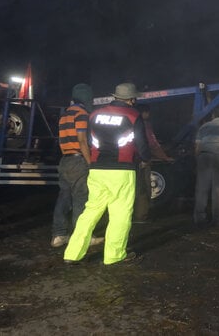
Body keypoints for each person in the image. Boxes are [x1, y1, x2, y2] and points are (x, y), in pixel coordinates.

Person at [63, 82, 151, 265]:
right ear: (132, 99)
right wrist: (145, 158)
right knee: (120, 214)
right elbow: (142, 144)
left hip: (97, 170)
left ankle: (72, 253)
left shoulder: (95, 114)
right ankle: (114, 255)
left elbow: (88, 140)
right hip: (122, 171)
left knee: (90, 211)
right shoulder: (133, 115)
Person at [51, 83, 103, 248]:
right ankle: (83, 237)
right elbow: (82, 141)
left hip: (65, 160)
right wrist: (90, 163)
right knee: (81, 199)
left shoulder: (65, 115)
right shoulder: (82, 115)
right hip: (78, 160)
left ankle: (58, 235)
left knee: (64, 198)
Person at [132, 104, 173, 223]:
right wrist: (165, 157)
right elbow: (153, 144)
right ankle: (141, 216)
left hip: (126, 161)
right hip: (141, 161)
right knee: (143, 188)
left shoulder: (128, 121)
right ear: (144, 113)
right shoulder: (144, 125)